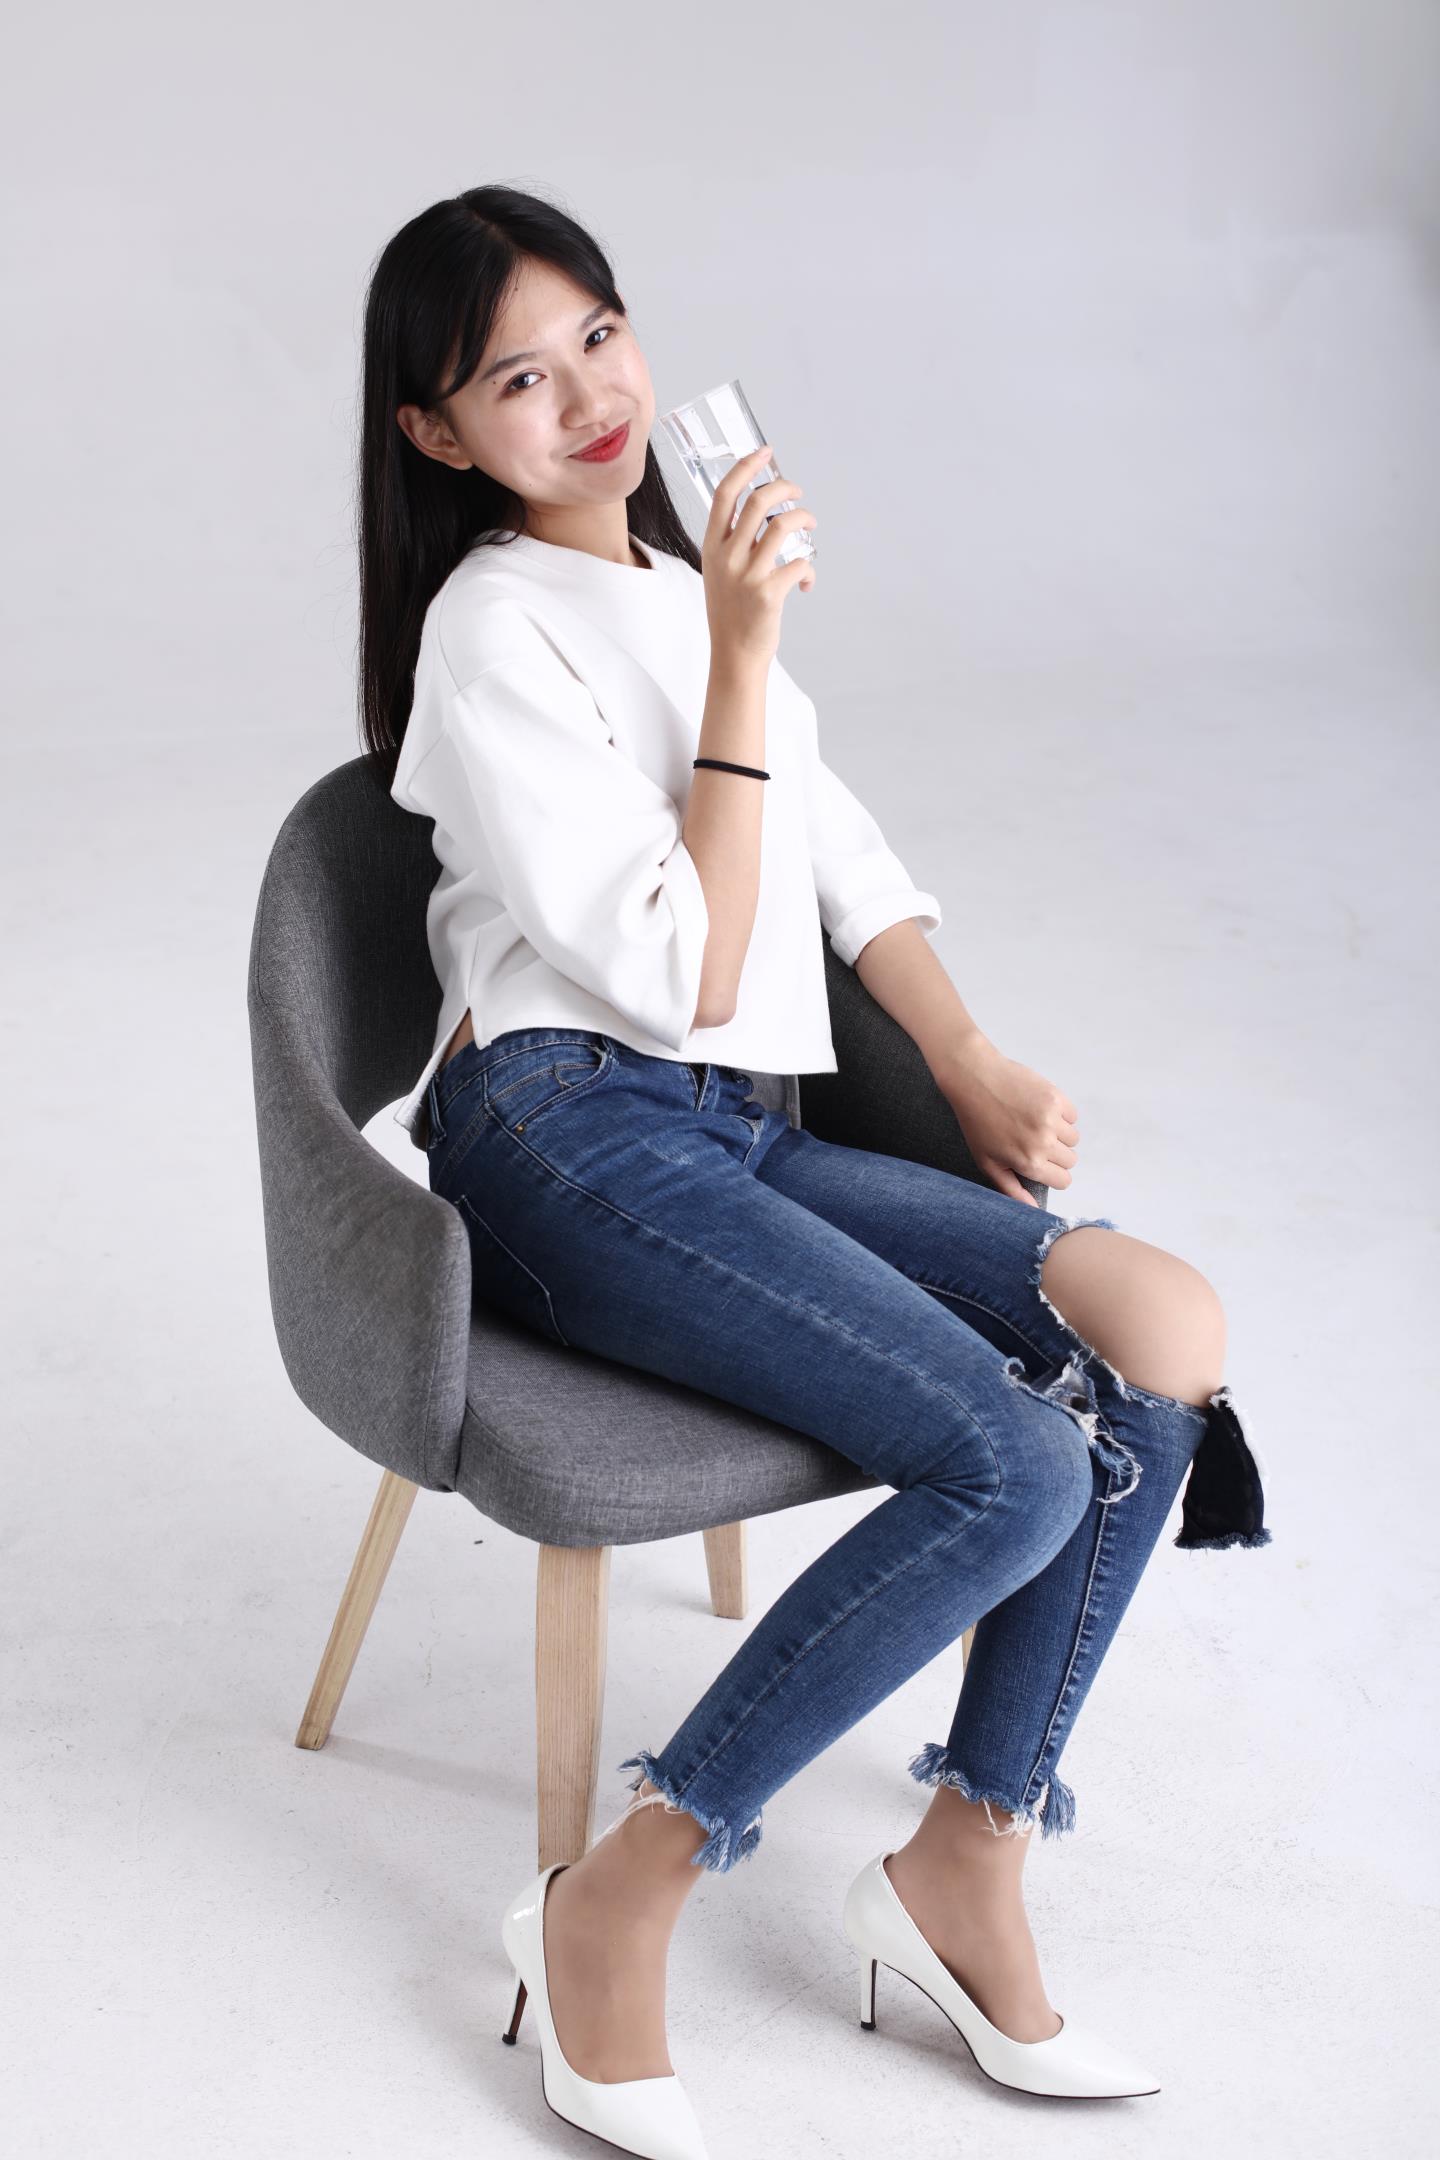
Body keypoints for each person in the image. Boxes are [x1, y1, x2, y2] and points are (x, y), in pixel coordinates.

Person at [360, 183, 1272, 2158]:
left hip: (736, 1131)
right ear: (437, 434)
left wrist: (969, 1058)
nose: (587, 396)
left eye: (599, 335)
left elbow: (839, 855)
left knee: (1164, 1332)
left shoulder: (679, 584)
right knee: (1015, 1459)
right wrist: (745, 650)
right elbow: (684, 969)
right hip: (560, 1129)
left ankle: (967, 1854)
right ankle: (625, 1887)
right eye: (517, 380)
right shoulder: (491, 633)